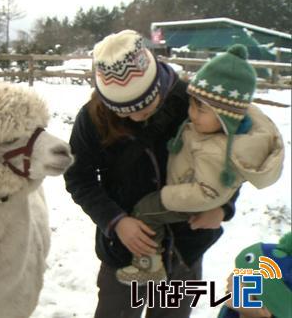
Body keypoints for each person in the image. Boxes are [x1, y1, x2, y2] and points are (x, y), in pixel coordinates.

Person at [64, 29, 238, 318]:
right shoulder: (92, 117)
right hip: (125, 250)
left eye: (144, 106)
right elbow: (78, 177)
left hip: (183, 246)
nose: (135, 116)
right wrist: (116, 222)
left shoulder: (193, 103)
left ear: (158, 84)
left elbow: (232, 157)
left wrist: (223, 207)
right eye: (123, 112)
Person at [116, 44, 285, 285]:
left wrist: (170, 196)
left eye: (201, 109)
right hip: (176, 209)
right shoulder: (209, 129)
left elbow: (213, 189)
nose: (192, 113)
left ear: (226, 116)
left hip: (187, 210)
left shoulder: (217, 149)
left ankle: (148, 264)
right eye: (191, 104)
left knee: (146, 211)